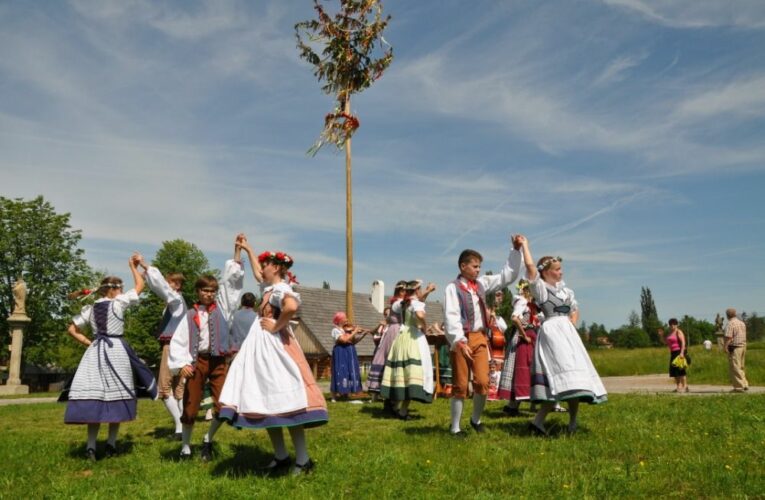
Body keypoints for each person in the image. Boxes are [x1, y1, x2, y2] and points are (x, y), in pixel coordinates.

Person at [219, 238, 328, 475]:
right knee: (267, 403)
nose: (261, 268)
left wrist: (277, 326)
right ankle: (281, 456)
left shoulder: (281, 290)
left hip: (277, 350)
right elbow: (258, 274)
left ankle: (303, 460)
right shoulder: (269, 288)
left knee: (288, 404)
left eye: (266, 264)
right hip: (262, 350)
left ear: (276, 268)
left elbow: (290, 307)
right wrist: (247, 249)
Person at [62, 254, 157, 461]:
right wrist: (132, 266)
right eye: (120, 288)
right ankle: (112, 444)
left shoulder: (92, 307)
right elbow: (141, 284)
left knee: (96, 396)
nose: (122, 291)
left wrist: (90, 342)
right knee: (118, 394)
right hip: (115, 350)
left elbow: (72, 329)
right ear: (114, 290)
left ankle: (91, 447)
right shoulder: (119, 302)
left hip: (95, 351)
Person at [518, 237, 607, 435]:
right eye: (557, 269)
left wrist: (571, 323)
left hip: (567, 333)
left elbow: (575, 309)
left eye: (560, 269)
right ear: (546, 272)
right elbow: (530, 268)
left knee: (575, 376)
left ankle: (571, 422)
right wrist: (525, 245)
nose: (561, 272)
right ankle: (539, 421)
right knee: (559, 375)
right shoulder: (541, 289)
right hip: (551, 333)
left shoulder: (566, 291)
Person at [168, 236, 244, 461]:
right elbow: (179, 341)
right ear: (198, 291)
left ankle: (208, 440)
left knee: (224, 406)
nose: (209, 294)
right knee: (190, 407)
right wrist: (182, 364)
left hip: (219, 362)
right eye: (205, 290)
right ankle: (185, 447)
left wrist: (237, 252)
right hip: (196, 362)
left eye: (212, 290)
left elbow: (231, 284)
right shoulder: (190, 315)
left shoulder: (224, 309)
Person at [444, 237, 524, 436]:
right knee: (461, 384)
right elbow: (451, 315)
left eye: (479, 267)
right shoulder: (452, 288)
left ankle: (475, 419)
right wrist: (459, 341)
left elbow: (506, 277)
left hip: (480, 338)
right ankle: (455, 428)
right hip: (461, 338)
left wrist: (515, 251)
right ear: (463, 266)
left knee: (482, 381)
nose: (478, 270)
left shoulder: (480, 284)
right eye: (475, 266)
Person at [139, 258, 187, 440]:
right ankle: (182, 427)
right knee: (178, 389)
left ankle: (179, 427)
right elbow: (158, 288)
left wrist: (146, 267)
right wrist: (149, 277)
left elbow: (162, 289)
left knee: (164, 388)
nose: (170, 285)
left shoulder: (175, 299)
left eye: (173, 282)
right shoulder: (176, 301)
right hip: (179, 346)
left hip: (172, 346)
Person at [380, 280, 434, 420]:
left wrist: (427, 292)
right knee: (413, 373)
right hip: (414, 338)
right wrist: (425, 326)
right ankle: (403, 410)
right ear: (417, 290)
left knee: (401, 372)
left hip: (401, 338)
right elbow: (420, 315)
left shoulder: (401, 304)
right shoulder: (416, 304)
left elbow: (414, 302)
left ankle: (395, 405)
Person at [498, 280, 538, 414]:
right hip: (522, 339)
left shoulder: (531, 305)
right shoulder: (523, 302)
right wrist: (524, 334)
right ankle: (512, 406)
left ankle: (513, 406)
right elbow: (514, 318)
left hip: (529, 338)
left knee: (524, 371)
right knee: (521, 370)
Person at [367, 281, 407, 402]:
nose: (407, 293)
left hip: (398, 330)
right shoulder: (398, 302)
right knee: (390, 357)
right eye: (406, 291)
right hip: (395, 332)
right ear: (401, 291)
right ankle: (384, 391)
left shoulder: (398, 303)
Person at [330, 312, 366, 402]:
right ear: (339, 320)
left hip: (349, 351)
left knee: (349, 371)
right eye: (344, 318)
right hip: (341, 352)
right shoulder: (335, 330)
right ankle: (334, 395)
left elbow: (353, 341)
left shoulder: (346, 330)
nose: (346, 320)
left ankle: (346, 393)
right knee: (340, 371)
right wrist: (354, 331)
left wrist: (363, 334)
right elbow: (344, 340)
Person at [487, 290, 508, 401]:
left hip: (497, 352)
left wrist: (495, 318)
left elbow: (504, 328)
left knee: (498, 373)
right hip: (489, 350)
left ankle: (497, 391)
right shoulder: (488, 316)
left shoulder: (499, 319)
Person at [723, 308, 748, 392]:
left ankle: (739, 387)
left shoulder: (730, 324)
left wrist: (725, 346)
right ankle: (744, 384)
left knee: (735, 367)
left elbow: (729, 337)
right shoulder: (741, 323)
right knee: (741, 366)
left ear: (727, 315)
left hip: (735, 347)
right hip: (743, 346)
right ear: (735, 314)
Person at [661, 319, 689, 393]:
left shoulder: (678, 332)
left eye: (674, 324)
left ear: (677, 325)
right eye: (670, 324)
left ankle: (685, 386)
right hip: (673, 352)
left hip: (679, 352)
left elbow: (683, 342)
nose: (672, 326)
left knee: (681, 370)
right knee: (674, 371)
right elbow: (665, 342)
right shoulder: (670, 333)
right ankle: (678, 386)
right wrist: (661, 336)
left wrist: (682, 353)